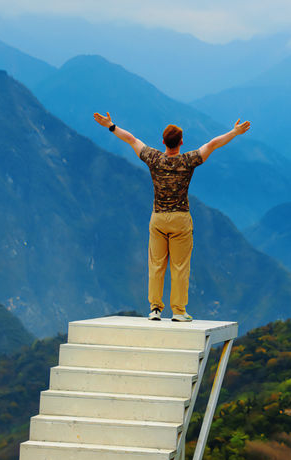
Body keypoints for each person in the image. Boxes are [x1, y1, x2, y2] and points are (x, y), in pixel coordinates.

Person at [92, 112, 251, 322]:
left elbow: (131, 139)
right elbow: (212, 144)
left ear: (163, 141)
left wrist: (110, 125)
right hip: (180, 219)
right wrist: (234, 132)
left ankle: (155, 309)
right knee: (180, 266)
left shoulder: (154, 158)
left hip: (158, 218)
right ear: (181, 142)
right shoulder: (188, 161)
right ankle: (178, 311)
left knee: (156, 265)